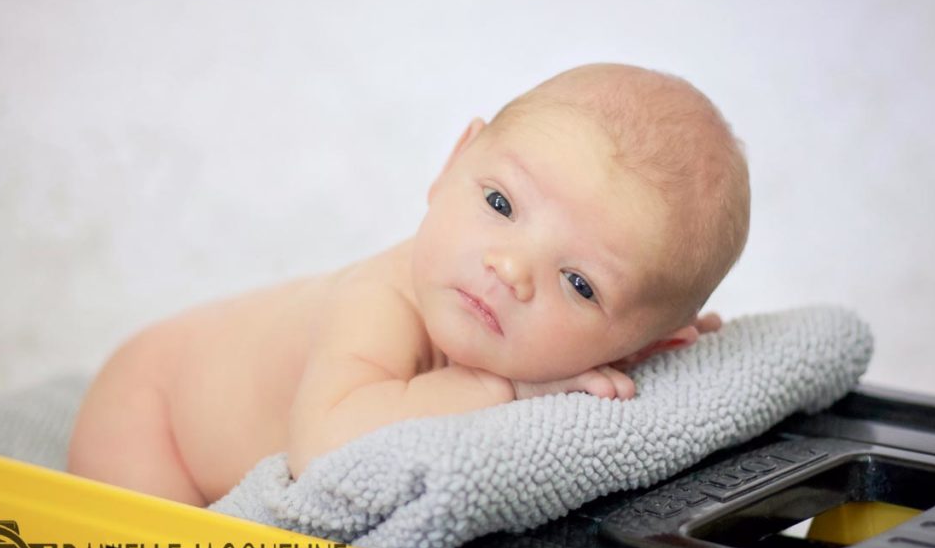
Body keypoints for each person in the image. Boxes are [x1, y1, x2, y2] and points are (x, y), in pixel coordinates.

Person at [67, 63, 750, 507]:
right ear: (455, 162)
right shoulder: (379, 300)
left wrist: (675, 355)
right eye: (502, 205)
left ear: (647, 340)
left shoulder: (625, 341)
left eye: (578, 282)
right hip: (151, 413)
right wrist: (502, 390)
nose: (509, 269)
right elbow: (325, 447)